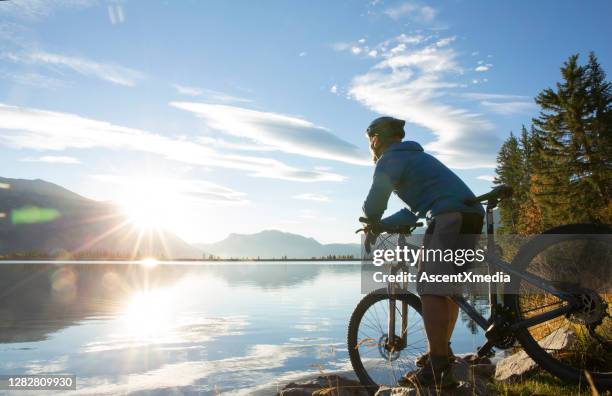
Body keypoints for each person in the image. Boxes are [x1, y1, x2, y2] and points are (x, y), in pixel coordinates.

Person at [361, 116, 484, 388]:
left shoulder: (390, 158)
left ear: (376, 138)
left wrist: (372, 222)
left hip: (448, 216)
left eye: (370, 139)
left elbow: (373, 205)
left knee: (429, 288)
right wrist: (382, 226)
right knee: (447, 290)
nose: (370, 145)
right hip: (470, 214)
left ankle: (438, 366)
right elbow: (411, 211)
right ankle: (441, 352)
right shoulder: (414, 156)